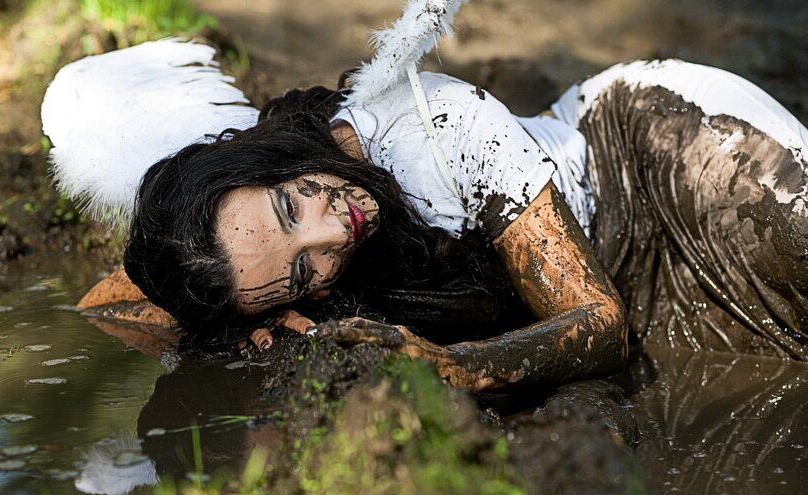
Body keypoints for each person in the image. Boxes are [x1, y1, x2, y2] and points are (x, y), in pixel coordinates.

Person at [48, 7, 807, 391]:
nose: (331, 232)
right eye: (304, 270)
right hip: (622, 272)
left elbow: (601, 325)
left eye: (290, 206)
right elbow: (107, 306)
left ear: (267, 160)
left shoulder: (434, 125)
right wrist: (240, 319)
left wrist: (461, 366)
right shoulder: (234, 250)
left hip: (662, 159)